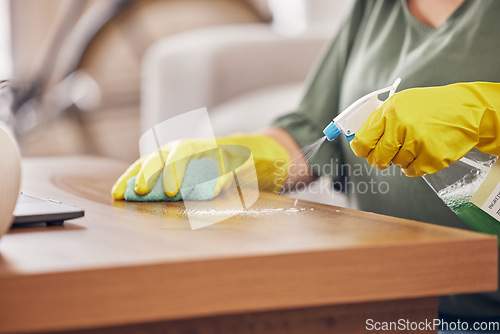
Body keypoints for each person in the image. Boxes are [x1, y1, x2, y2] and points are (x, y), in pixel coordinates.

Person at [113, 0, 500, 322]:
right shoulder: (376, 7)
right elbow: (316, 131)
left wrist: (484, 112)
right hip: (386, 303)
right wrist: (239, 157)